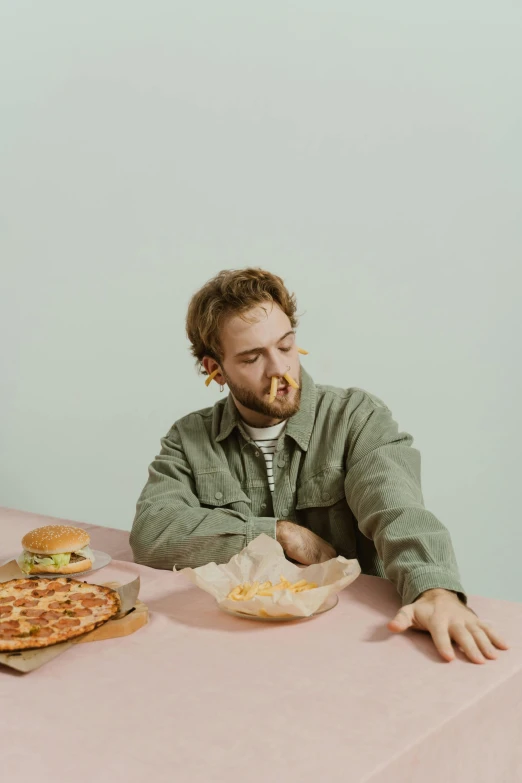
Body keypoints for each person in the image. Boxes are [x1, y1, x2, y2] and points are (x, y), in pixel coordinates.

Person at [130, 268, 509, 664]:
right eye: (252, 357)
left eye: (286, 345)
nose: (280, 370)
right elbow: (154, 532)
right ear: (215, 370)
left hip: (356, 646)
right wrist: (278, 534)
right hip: (235, 646)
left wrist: (436, 593)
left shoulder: (355, 417)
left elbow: (398, 510)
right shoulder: (189, 437)